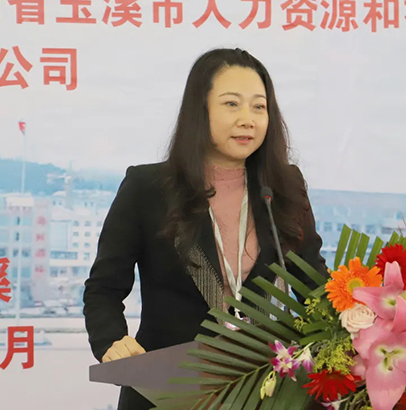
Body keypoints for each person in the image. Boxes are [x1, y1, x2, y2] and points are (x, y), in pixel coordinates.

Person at [82, 47, 328, 410]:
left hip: (264, 391)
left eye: (259, 107)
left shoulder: (283, 187)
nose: (248, 119)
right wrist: (111, 341)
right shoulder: (149, 188)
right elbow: (103, 289)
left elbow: (314, 287)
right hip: (168, 391)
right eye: (232, 104)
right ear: (201, 110)